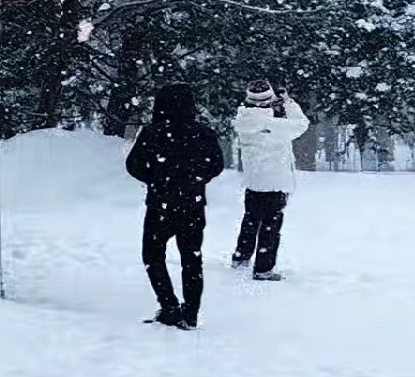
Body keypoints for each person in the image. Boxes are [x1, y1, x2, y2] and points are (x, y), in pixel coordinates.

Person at [126, 84, 225, 330]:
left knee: (152, 254)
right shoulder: (203, 133)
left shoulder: (152, 132)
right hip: (192, 204)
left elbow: (133, 165)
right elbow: (216, 165)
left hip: (161, 203)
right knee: (191, 259)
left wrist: (156, 178)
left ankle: (169, 305)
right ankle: (190, 313)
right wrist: (196, 180)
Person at [229, 80, 309, 281]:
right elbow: (301, 124)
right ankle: (263, 268)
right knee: (270, 226)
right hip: (275, 181)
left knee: (251, 219)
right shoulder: (272, 123)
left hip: (253, 180)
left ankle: (241, 256)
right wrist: (288, 103)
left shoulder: (243, 118)